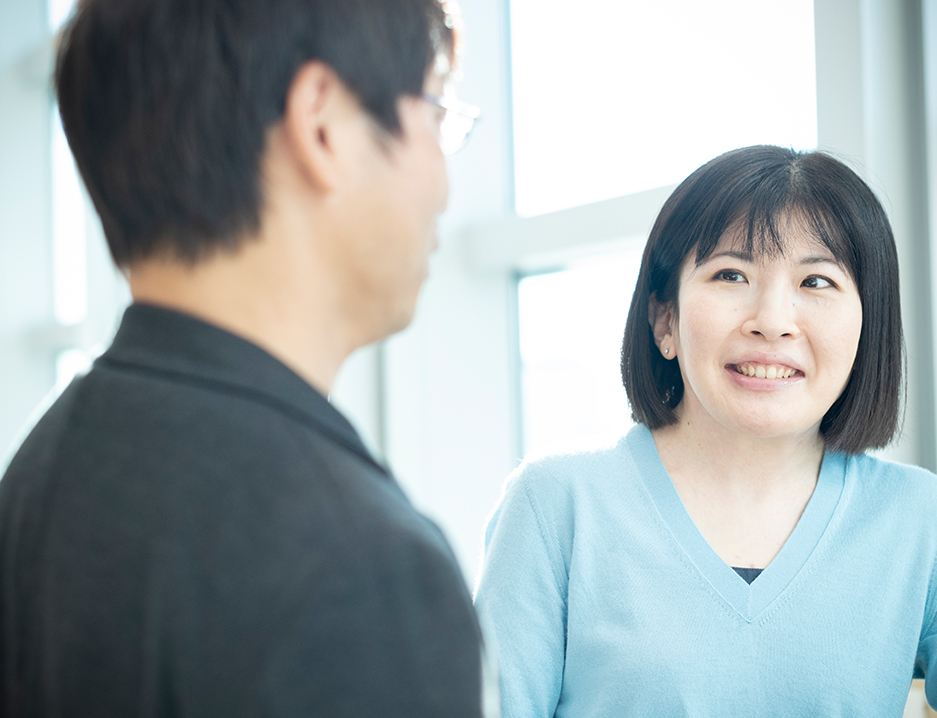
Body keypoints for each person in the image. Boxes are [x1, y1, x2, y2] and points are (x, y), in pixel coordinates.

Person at [0, 0, 490, 716]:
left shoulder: (41, 471)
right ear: (322, 124)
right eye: (435, 110)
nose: (444, 184)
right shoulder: (361, 568)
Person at [474, 145, 937, 716]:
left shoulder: (920, 519)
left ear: (870, 326)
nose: (771, 321)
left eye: (816, 282)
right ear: (663, 319)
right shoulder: (555, 508)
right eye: (730, 274)